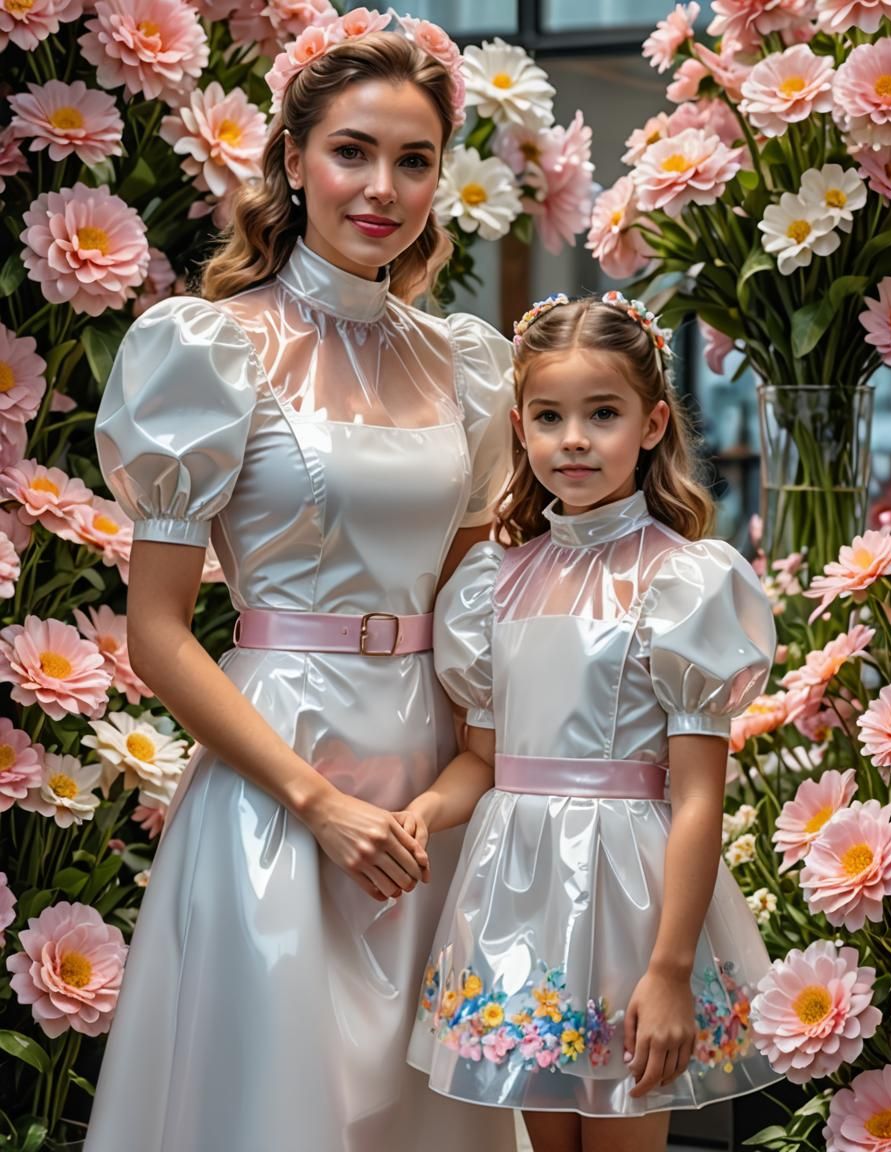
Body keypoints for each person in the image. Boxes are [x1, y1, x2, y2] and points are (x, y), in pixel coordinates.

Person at [86, 15, 517, 1152]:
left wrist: (470, 778)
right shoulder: (207, 348)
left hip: (428, 791)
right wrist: (316, 803)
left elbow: (469, 612)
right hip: (277, 773)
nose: (382, 188)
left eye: (414, 160)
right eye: (351, 151)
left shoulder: (470, 367)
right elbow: (157, 634)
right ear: (291, 158)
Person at [403, 292, 781, 1152]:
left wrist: (670, 968)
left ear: (652, 425)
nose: (573, 438)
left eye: (602, 414)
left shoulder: (685, 582)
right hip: (516, 902)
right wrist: (424, 811)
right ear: (519, 428)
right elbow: (484, 760)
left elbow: (697, 799)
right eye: (550, 416)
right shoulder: (492, 584)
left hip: (628, 906)